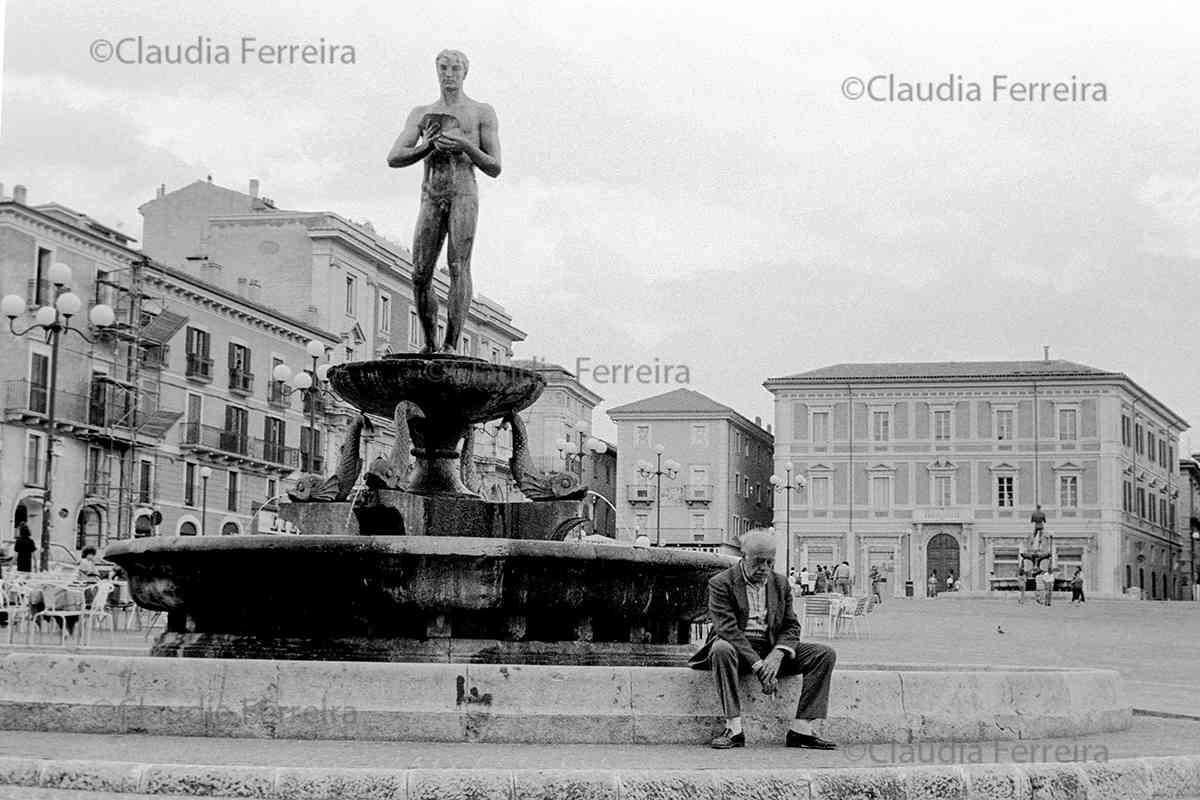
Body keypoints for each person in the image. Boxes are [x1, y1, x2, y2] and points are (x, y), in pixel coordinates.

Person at [387, 49, 502, 354]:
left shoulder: (481, 112)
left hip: (464, 191)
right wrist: (426, 147)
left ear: (465, 72)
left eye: (454, 68)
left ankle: (451, 343)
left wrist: (464, 144)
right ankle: (429, 342)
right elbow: (394, 157)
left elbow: (494, 166)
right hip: (431, 193)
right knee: (420, 272)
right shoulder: (422, 113)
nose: (448, 74)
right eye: (443, 68)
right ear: (436, 71)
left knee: (458, 266)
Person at [689, 529, 837, 750]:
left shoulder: (780, 583)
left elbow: (791, 625)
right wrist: (759, 665)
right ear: (743, 557)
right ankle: (734, 728)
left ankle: (801, 729)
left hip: (770, 648)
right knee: (720, 648)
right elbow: (727, 629)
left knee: (824, 654)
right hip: (736, 648)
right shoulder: (721, 583)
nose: (765, 569)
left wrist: (777, 655)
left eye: (770, 562)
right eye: (759, 562)